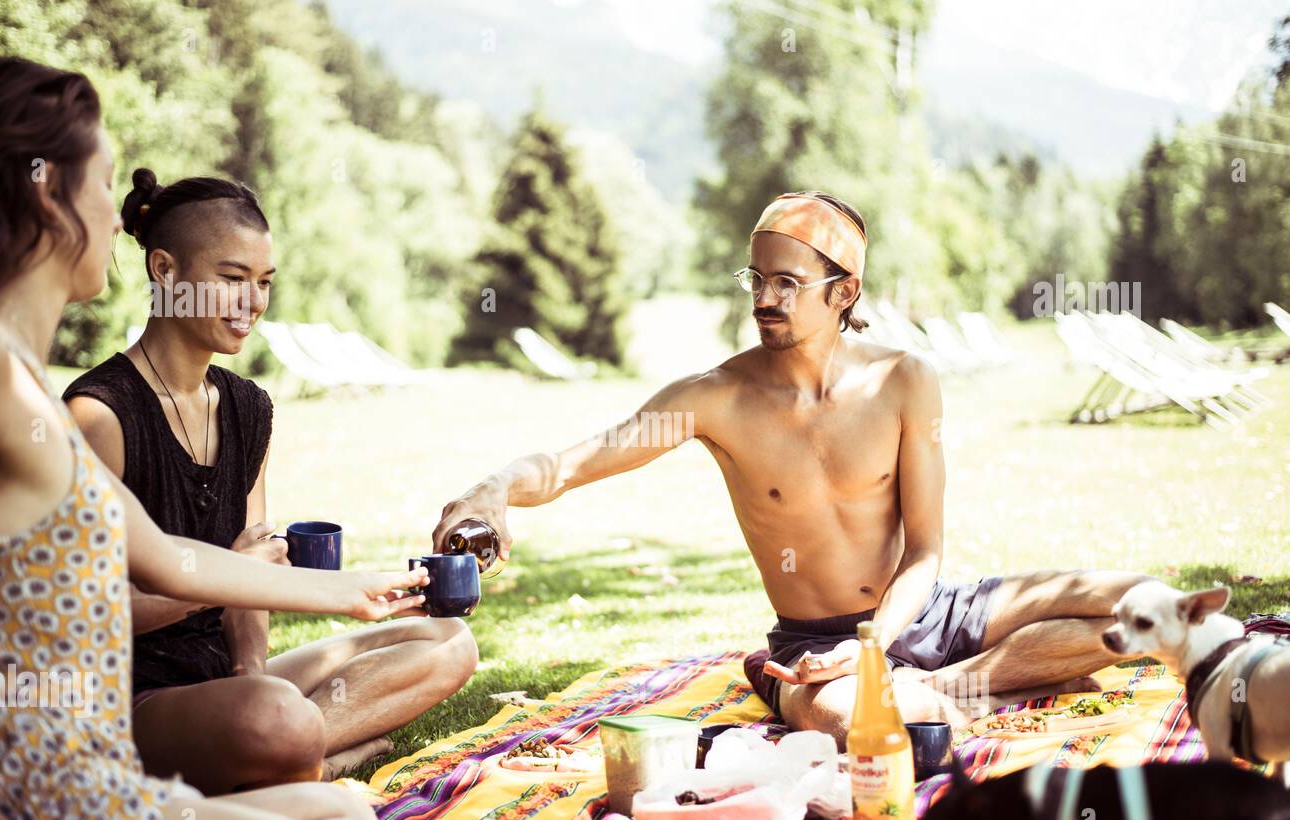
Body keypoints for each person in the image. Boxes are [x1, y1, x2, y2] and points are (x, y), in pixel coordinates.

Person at [432, 190, 1150, 746]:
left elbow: (927, 549)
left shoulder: (905, 380)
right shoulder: (713, 398)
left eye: (787, 282)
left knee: (1147, 605)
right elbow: (571, 464)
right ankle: (930, 688)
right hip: (812, 646)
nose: (764, 299)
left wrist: (877, 644)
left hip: (923, 611)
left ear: (843, 294)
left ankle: (955, 680)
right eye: (757, 279)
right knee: (856, 726)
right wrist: (492, 490)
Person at [0, 55, 423, 820]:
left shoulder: (28, 393)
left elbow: (176, 564)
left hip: (109, 789)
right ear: (49, 191)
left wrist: (349, 591)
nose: (121, 217)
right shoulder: (7, 381)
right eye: (104, 183)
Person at [63, 168, 478, 793]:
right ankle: (309, 758)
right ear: (165, 271)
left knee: (447, 643)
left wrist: (248, 669)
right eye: (231, 279)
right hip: (132, 698)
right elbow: (77, 620)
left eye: (262, 283)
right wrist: (221, 579)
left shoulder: (248, 407)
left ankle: (280, 755)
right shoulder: (100, 415)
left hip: (226, 688)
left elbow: (250, 585)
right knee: (274, 717)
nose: (251, 303)